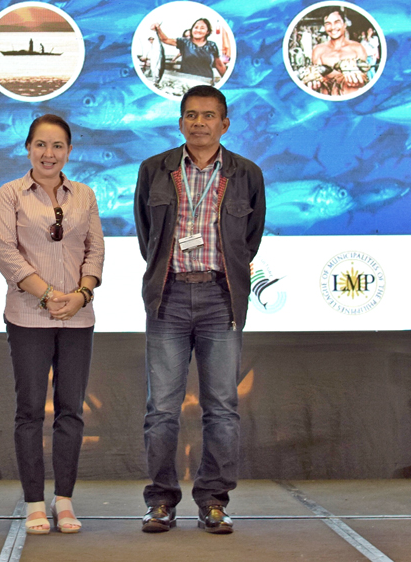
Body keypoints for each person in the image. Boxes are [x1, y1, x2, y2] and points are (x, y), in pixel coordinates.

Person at [134, 85, 265, 535]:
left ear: (225, 124)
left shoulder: (246, 173)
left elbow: (249, 239)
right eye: (191, 115)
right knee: (161, 410)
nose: (199, 123)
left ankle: (213, 499)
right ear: (180, 122)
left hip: (219, 298)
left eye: (209, 116)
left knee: (223, 408)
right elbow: (147, 235)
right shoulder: (155, 170)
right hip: (167, 297)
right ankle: (161, 502)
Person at [0, 114, 105, 535]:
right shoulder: (10, 195)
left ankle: (65, 501)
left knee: (71, 412)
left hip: (78, 318)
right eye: (40, 145)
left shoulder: (86, 195)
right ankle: (34, 503)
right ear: (27, 148)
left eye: (57, 146)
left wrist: (81, 295)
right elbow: (5, 252)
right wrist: (46, 294)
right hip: (27, 316)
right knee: (28, 412)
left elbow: (95, 251)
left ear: (69, 151)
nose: (48, 153)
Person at [302, 8, 369, 95]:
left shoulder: (358, 48)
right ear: (324, 27)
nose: (333, 27)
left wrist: (358, 80)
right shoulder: (318, 50)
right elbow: (317, 78)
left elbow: (365, 80)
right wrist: (313, 81)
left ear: (344, 24)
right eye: (328, 24)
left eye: (337, 22)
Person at [152, 18, 226, 81]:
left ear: (208, 31)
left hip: (206, 81)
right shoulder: (184, 42)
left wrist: (228, 79)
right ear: (192, 30)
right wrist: (158, 29)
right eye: (196, 27)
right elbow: (165, 40)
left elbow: (219, 65)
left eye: (202, 28)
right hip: (186, 80)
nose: (198, 30)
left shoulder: (212, 45)